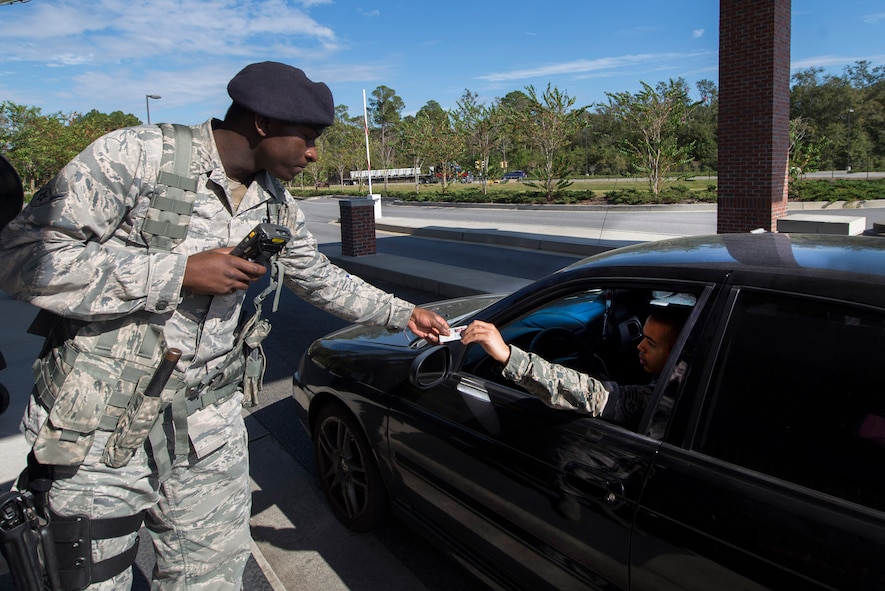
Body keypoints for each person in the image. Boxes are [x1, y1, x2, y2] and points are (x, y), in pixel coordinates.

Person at [0, 61, 449, 590]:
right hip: (99, 429)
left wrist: (404, 313)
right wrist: (177, 272)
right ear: (261, 123)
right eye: (307, 137)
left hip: (206, 427)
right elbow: (22, 256)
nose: (313, 153)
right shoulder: (139, 156)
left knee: (211, 578)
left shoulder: (276, 205)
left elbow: (318, 278)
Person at [460, 306, 687, 429]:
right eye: (643, 337)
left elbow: (591, 396)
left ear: (677, 352)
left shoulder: (661, 398)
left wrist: (508, 356)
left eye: (652, 343)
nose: (640, 346)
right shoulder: (691, 379)